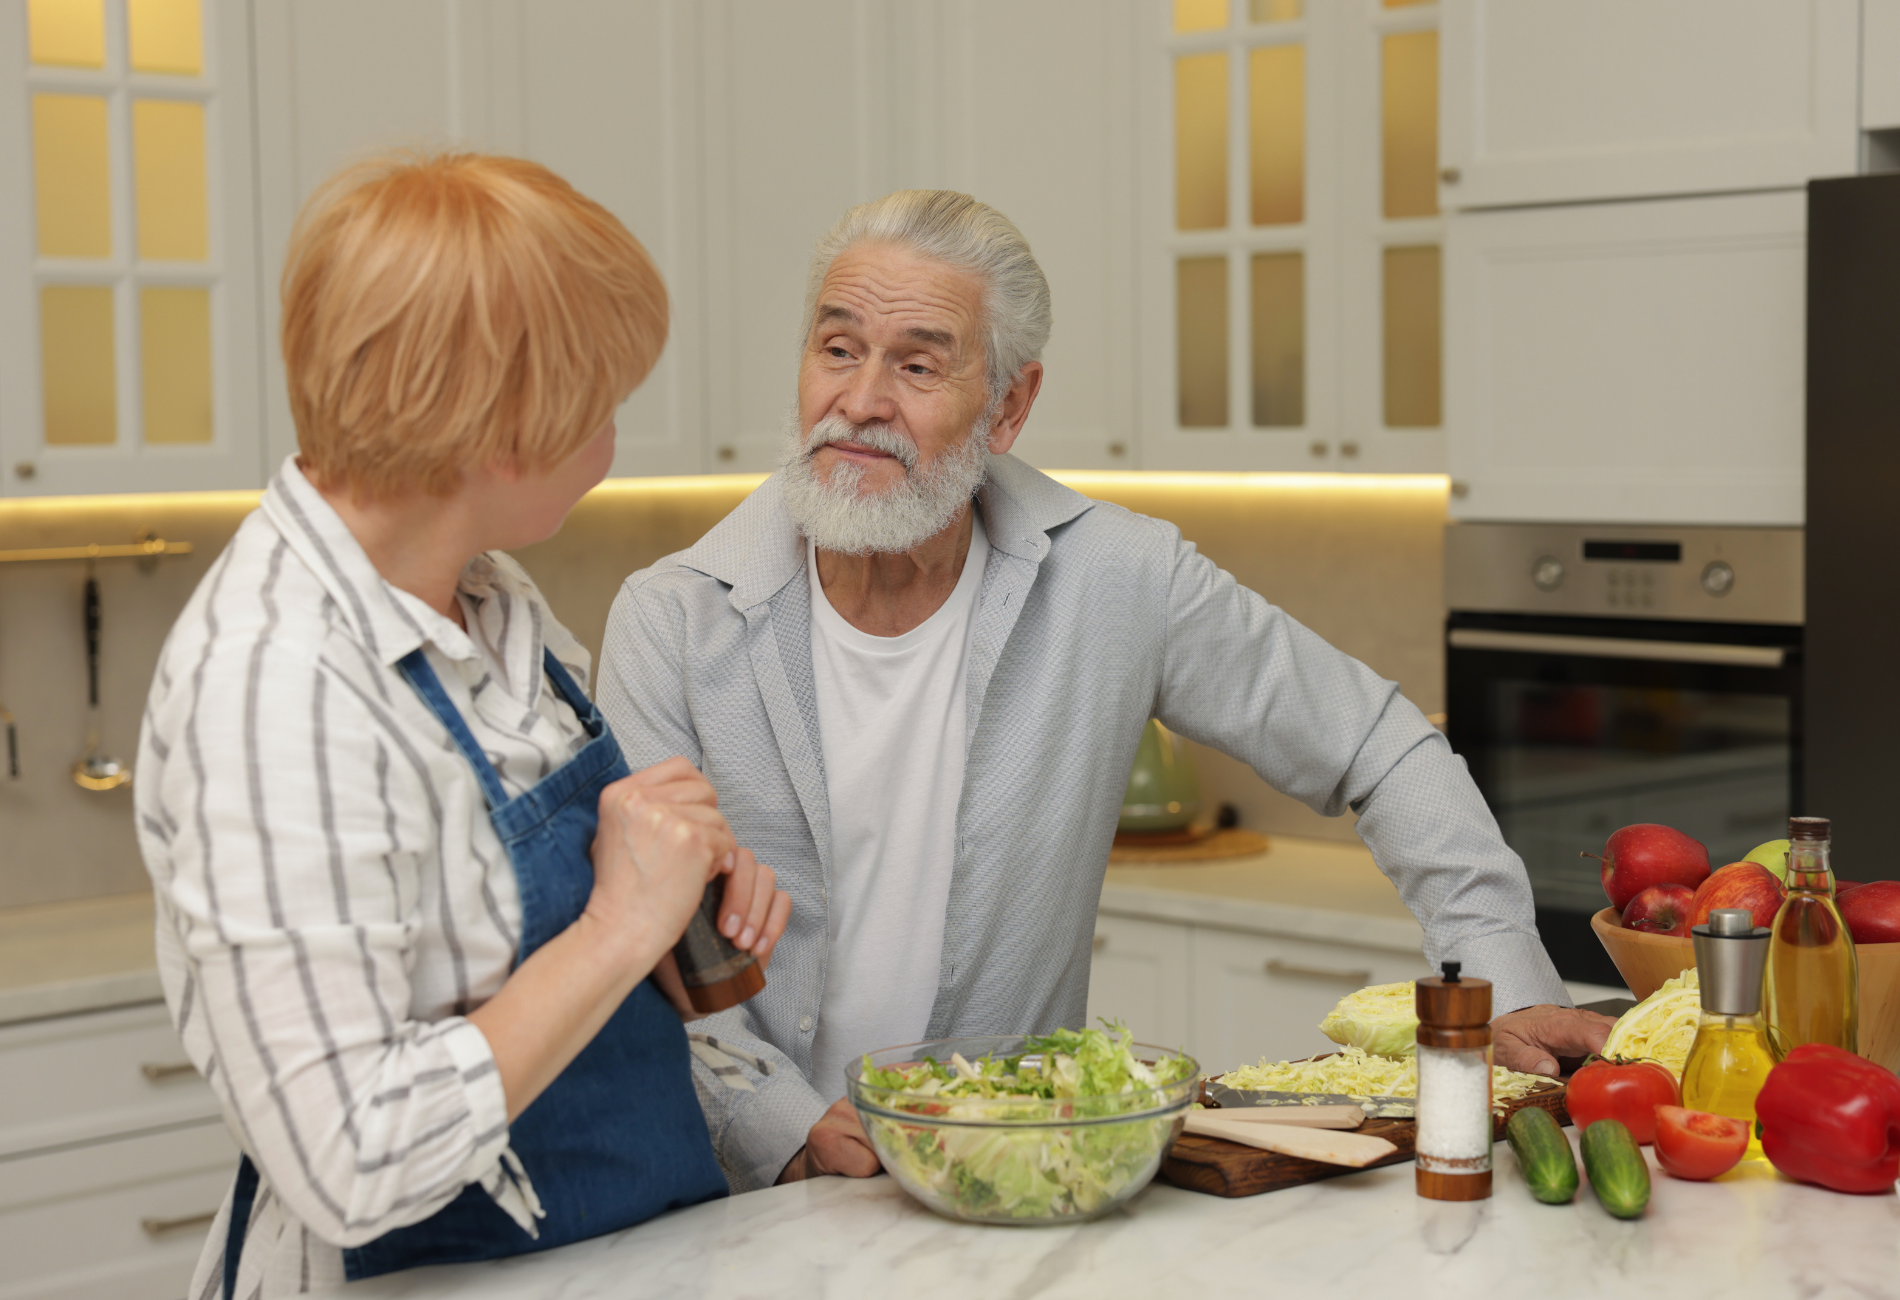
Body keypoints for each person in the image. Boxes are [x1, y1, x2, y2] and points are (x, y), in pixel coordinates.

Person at [595, 189, 1612, 1192]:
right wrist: (779, 1122)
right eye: (838, 348)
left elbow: (1379, 744)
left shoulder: (1121, 577)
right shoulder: (673, 619)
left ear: (1009, 405)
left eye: (916, 363)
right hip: (741, 1202)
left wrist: (1506, 983)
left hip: (1022, 1191)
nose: (861, 400)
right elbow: (635, 946)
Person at [135, 153, 790, 1299]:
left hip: (625, 1250)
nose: (616, 435)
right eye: (605, 402)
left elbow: (526, 952)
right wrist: (613, 933)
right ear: (505, 433)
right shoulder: (273, 687)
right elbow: (352, 1156)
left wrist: (678, 918)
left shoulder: (487, 601)